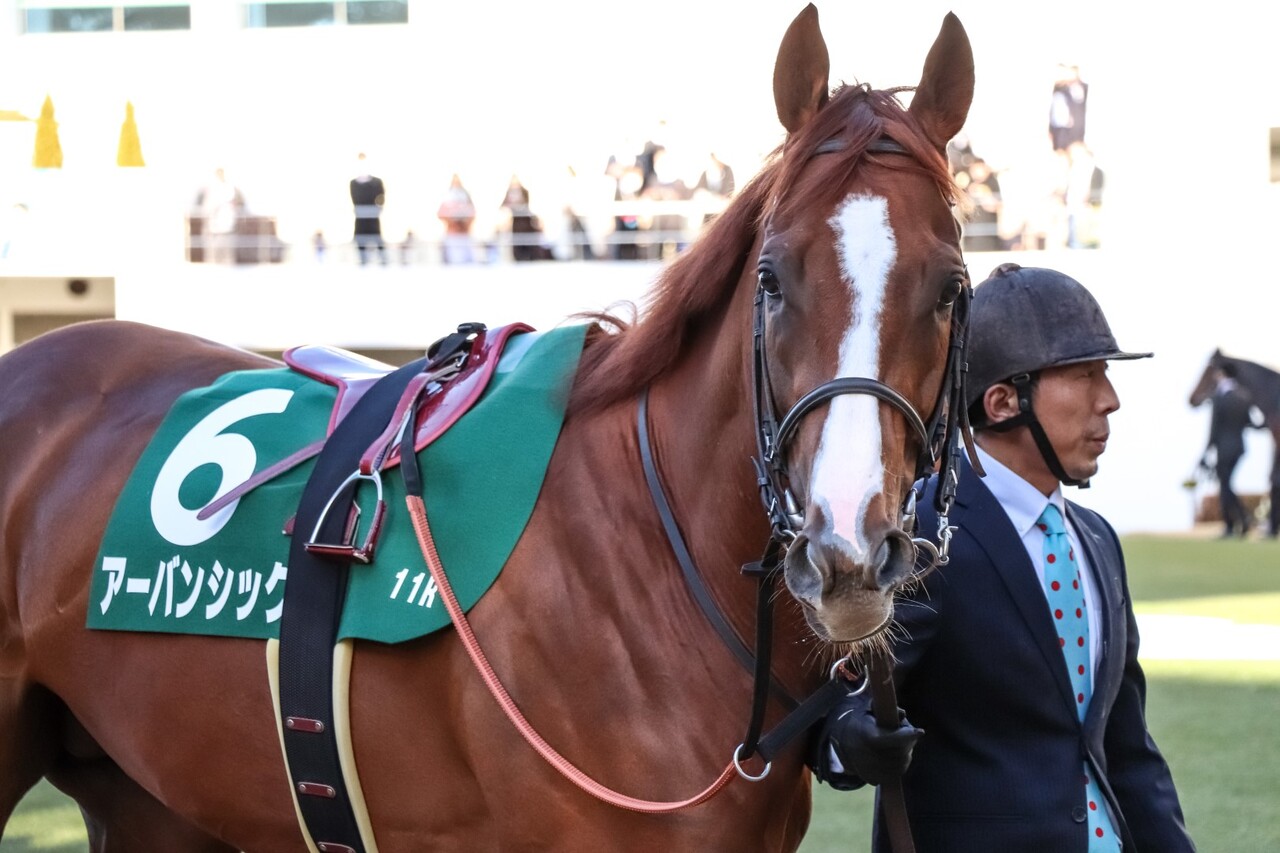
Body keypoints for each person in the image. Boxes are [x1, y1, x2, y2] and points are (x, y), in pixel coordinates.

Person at [813, 264, 1196, 853]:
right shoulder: (918, 536)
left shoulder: (1098, 539)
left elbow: (1128, 749)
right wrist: (854, 738)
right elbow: (840, 713)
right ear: (1002, 401)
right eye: (1085, 375)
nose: (1110, 400)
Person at [1199, 363, 1264, 537]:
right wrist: (1266, 424)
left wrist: (1205, 453)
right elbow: (1252, 423)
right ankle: (1241, 521)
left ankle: (1233, 524)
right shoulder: (1243, 396)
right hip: (1239, 448)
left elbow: (1214, 429)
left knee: (1225, 486)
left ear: (1221, 374)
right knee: (1226, 484)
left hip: (1223, 449)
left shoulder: (1219, 397)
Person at [197, 167, 244, 264]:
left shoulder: (231, 188)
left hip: (228, 229)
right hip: (213, 231)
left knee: (227, 259)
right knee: (213, 259)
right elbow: (205, 208)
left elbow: (239, 204)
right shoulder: (209, 189)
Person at [350, 152, 387, 265]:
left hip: (373, 218)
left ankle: (383, 260)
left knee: (377, 239)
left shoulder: (377, 182)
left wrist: (378, 207)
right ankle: (363, 261)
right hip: (361, 218)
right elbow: (354, 198)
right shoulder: (353, 183)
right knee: (360, 241)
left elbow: (381, 196)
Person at [436, 173, 476, 265]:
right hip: (452, 236)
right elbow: (440, 214)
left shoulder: (466, 198)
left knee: (467, 263)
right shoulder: (447, 197)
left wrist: (465, 221)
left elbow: (473, 214)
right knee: (454, 262)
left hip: (464, 235)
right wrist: (451, 219)